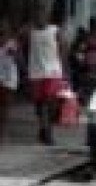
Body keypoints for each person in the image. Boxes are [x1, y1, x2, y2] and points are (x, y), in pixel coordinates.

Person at [25, 11, 67, 146]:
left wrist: (65, 70)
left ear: (47, 17)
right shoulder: (29, 31)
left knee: (49, 103)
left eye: (42, 15)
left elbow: (63, 49)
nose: (39, 18)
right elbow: (19, 45)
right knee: (39, 106)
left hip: (53, 72)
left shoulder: (55, 30)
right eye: (37, 15)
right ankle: (43, 129)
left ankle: (48, 133)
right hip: (35, 73)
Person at [0, 22, 19, 145]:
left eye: (4, 32)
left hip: (9, 80)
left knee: (5, 108)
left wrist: (14, 53)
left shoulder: (12, 44)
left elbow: (19, 59)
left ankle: (3, 135)